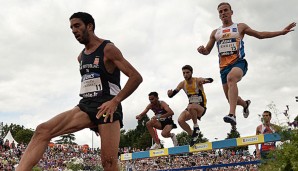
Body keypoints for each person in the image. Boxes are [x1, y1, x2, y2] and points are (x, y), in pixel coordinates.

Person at [16, 12, 142, 171]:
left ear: (89, 26)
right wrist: (92, 121)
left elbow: (136, 77)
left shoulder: (108, 49)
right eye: (71, 28)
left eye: (77, 26)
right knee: (43, 130)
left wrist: (115, 101)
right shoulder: (81, 57)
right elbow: (89, 82)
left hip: (107, 107)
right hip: (86, 105)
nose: (74, 31)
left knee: (109, 163)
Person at [197, 2, 296, 126]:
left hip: (239, 63)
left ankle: (232, 115)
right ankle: (245, 104)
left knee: (231, 78)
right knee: (230, 98)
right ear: (219, 15)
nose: (223, 13)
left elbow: (260, 35)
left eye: (225, 10)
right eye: (220, 12)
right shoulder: (215, 33)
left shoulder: (240, 27)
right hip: (223, 68)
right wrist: (202, 51)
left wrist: (281, 32)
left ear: (231, 12)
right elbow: (207, 51)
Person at [167, 65, 213, 146]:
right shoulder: (182, 84)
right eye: (184, 73)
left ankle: (196, 126)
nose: (185, 75)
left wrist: (206, 81)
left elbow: (209, 79)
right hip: (191, 109)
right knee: (180, 120)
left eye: (187, 72)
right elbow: (173, 94)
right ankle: (193, 135)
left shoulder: (197, 80)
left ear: (191, 73)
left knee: (191, 106)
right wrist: (170, 94)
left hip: (201, 108)